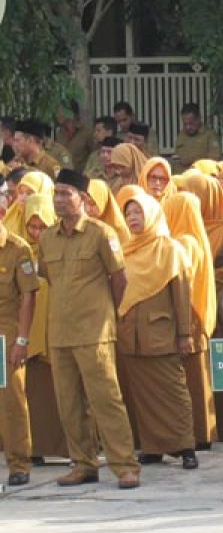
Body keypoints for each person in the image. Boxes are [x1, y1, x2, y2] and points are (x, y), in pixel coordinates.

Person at [38, 168, 139, 488]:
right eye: (56, 193)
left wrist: (107, 312)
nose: (58, 199)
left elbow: (120, 280)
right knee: (68, 403)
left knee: (106, 399)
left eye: (65, 193)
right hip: (60, 332)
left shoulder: (100, 233)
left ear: (82, 198)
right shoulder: (47, 238)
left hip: (94, 332)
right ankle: (83, 463)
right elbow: (49, 278)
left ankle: (124, 465)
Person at [116, 190, 198, 469]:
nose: (132, 218)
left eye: (138, 212)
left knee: (174, 391)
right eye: (128, 214)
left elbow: (182, 296)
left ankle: (186, 446)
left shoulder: (171, 249)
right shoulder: (127, 249)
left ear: (151, 214)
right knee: (142, 395)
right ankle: (152, 447)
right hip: (131, 336)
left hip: (162, 333)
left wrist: (185, 334)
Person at [180, 171, 223, 442]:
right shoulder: (184, 222)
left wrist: (206, 293)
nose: (190, 199)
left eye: (195, 194)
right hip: (195, 299)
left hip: (221, 296)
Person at [15, 194, 71, 463]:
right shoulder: (22, 253)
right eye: (32, 227)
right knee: (35, 397)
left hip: (59, 331)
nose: (36, 233)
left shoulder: (62, 250)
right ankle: (36, 449)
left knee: (65, 395)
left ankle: (70, 450)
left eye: (42, 227)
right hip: (32, 337)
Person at [162, 192, 218, 450]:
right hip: (198, 314)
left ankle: (196, 434)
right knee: (199, 377)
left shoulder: (183, 242)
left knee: (189, 380)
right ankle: (203, 431)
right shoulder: (197, 238)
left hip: (187, 315)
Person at [0, 214, 39, 486]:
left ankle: (19, 463)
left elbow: (28, 296)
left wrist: (22, 340)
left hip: (5, 335)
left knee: (11, 401)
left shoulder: (17, 249)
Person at [172, 103, 221, 171]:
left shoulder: (210, 135)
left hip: (201, 178)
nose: (188, 127)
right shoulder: (181, 135)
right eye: (185, 124)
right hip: (181, 178)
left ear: (199, 118)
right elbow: (176, 158)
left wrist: (191, 160)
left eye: (191, 123)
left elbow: (214, 159)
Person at [54, 102, 92, 171]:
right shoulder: (59, 133)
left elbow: (94, 155)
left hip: (81, 175)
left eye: (59, 112)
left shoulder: (87, 133)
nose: (57, 115)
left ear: (70, 113)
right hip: (64, 175)